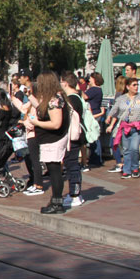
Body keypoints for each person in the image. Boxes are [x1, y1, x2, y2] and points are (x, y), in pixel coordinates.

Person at [25, 71, 71, 214]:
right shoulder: (54, 97)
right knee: (53, 169)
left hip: (54, 139)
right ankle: (56, 200)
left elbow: (56, 123)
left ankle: (57, 203)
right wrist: (30, 97)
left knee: (55, 170)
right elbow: (42, 108)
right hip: (50, 139)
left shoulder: (54, 99)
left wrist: (36, 122)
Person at [105, 77, 140, 179]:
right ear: (128, 87)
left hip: (138, 127)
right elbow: (114, 109)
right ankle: (126, 169)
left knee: (134, 148)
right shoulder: (121, 98)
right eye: (134, 85)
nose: (136, 87)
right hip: (125, 127)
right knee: (126, 149)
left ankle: (135, 168)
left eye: (137, 85)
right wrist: (109, 117)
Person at [60, 72, 86, 209]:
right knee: (71, 163)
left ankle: (75, 194)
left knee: (72, 164)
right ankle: (74, 193)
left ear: (65, 83)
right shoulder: (76, 97)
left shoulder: (71, 99)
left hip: (73, 136)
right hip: (74, 135)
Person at [84, 73, 105, 168]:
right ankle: (95, 157)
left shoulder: (94, 89)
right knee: (95, 136)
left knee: (94, 136)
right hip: (96, 113)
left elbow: (85, 96)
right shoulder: (99, 90)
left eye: (91, 79)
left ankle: (96, 158)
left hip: (94, 114)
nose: (89, 80)